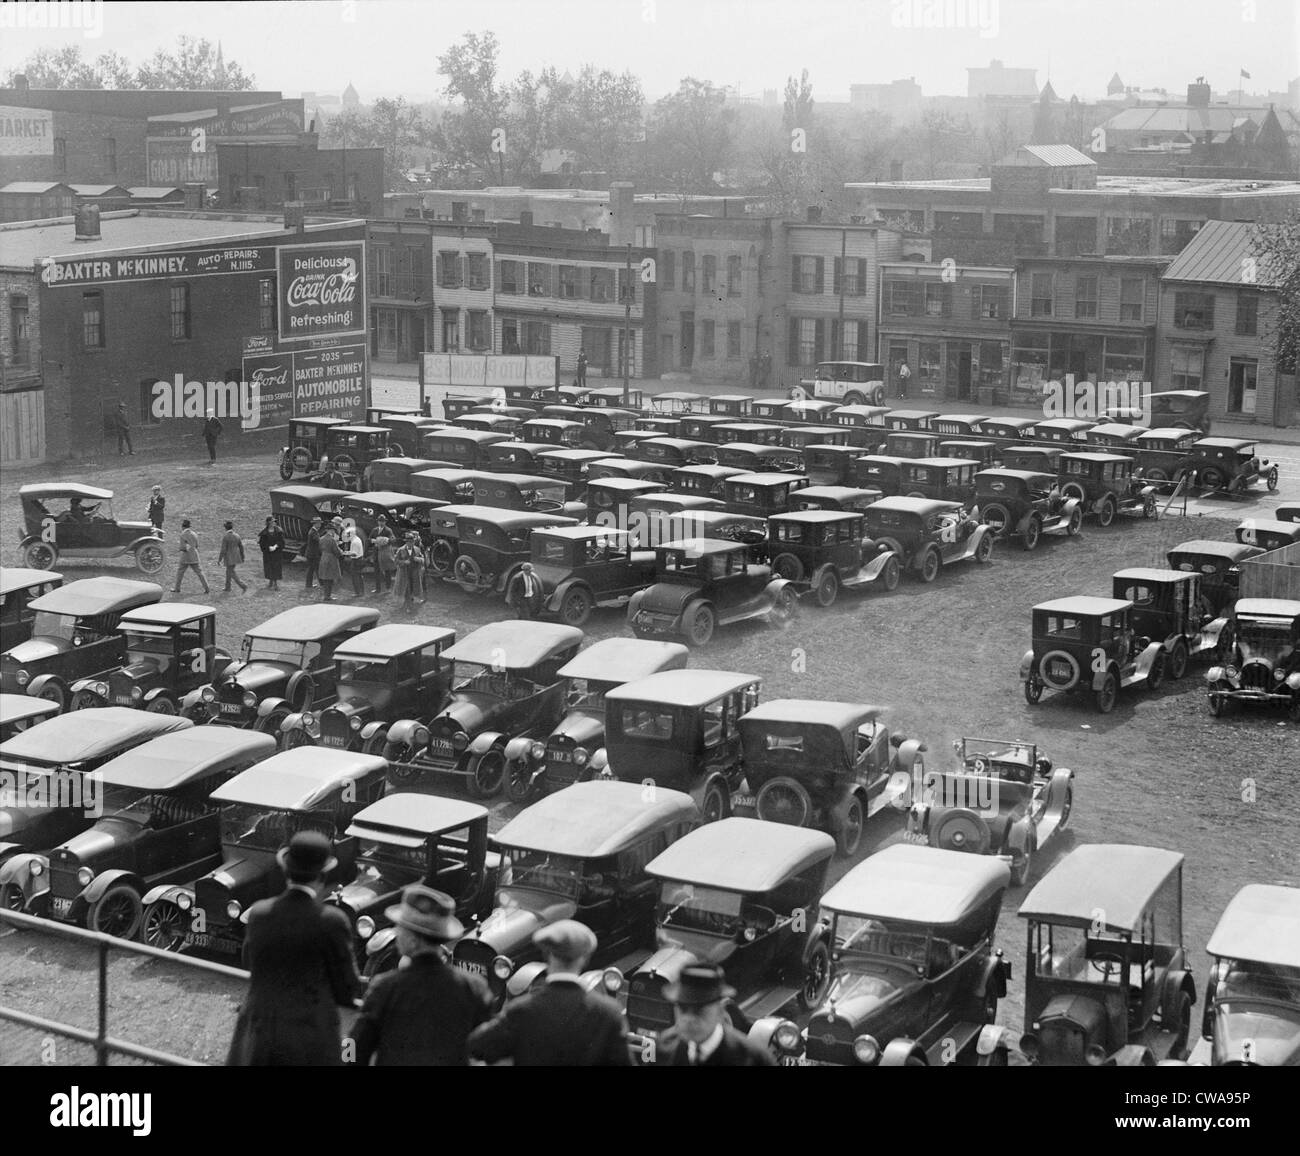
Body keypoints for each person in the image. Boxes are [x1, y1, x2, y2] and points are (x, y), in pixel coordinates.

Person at [227, 831, 364, 1067]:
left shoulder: (259, 913)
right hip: (309, 1036)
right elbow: (347, 986)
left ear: (286, 871)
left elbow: (249, 962)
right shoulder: (332, 920)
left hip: (259, 1032)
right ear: (323, 875)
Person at [350, 885, 492, 1066]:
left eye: (400, 927)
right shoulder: (474, 988)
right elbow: (486, 1048)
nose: (397, 932)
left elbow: (353, 1043)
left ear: (412, 940)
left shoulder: (385, 987)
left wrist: (346, 1061)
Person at [467, 920, 630, 1066]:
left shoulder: (521, 1010)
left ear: (548, 956)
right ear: (584, 959)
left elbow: (477, 1046)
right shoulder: (609, 1013)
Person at [653, 964, 776, 1066]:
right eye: (683, 1008)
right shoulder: (664, 1047)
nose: (689, 1019)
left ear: (720, 1011)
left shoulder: (753, 1059)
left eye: (699, 1010)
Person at [172, 519, 210, 595]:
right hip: (194, 556)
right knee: (200, 572)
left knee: (180, 572)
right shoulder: (194, 534)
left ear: (183, 527)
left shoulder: (183, 534)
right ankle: (207, 588)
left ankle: (177, 588)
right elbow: (196, 545)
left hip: (185, 557)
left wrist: (180, 549)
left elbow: (183, 547)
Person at [394, 532, 424, 610]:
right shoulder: (401, 550)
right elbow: (396, 560)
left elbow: (423, 559)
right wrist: (404, 562)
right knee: (406, 587)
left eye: (412, 542)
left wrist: (419, 559)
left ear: (414, 542)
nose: (410, 544)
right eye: (408, 542)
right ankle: (408, 605)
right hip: (404, 573)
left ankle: (410, 601)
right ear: (406, 542)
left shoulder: (417, 549)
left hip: (414, 573)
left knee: (414, 587)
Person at [217, 520, 248, 593]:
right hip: (236, 557)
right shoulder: (237, 535)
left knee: (231, 573)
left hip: (229, 557)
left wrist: (219, 559)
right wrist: (242, 556)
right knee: (229, 572)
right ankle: (228, 587)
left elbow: (223, 550)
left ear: (225, 528)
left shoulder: (226, 537)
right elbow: (241, 547)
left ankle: (243, 585)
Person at [258, 516, 286, 591]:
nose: (274, 523)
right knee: (269, 567)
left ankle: (276, 583)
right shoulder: (264, 533)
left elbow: (282, 541)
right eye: (272, 522)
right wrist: (268, 547)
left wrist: (276, 546)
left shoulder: (279, 531)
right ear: (269, 523)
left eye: (274, 522)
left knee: (276, 567)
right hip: (268, 554)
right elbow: (262, 543)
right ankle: (270, 581)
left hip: (277, 553)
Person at [340, 520, 366, 597]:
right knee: (359, 576)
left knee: (355, 577)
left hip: (356, 561)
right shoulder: (357, 539)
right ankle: (361, 591)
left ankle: (358, 593)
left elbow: (354, 553)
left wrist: (345, 553)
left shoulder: (354, 542)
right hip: (360, 559)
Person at [317, 523, 342, 602]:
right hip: (331, 559)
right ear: (331, 530)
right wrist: (341, 552)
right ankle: (328, 596)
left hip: (323, 557)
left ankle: (326, 595)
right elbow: (336, 551)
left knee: (325, 578)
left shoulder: (321, 538)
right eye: (333, 530)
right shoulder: (332, 540)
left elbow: (320, 549)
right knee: (330, 578)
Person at [370, 518, 396, 594]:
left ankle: (388, 588)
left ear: (385, 522)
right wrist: (373, 541)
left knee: (387, 570)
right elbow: (369, 538)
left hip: (384, 552)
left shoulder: (388, 530)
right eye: (380, 521)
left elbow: (393, 539)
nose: (381, 523)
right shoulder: (374, 530)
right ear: (377, 521)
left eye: (383, 521)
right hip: (376, 552)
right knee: (376, 571)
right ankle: (378, 589)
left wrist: (386, 540)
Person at [304, 517, 323, 589]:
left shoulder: (313, 531)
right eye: (319, 523)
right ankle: (321, 584)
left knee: (312, 569)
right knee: (316, 569)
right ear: (316, 524)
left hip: (311, 554)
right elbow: (319, 540)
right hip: (313, 554)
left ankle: (309, 585)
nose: (320, 525)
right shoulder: (313, 532)